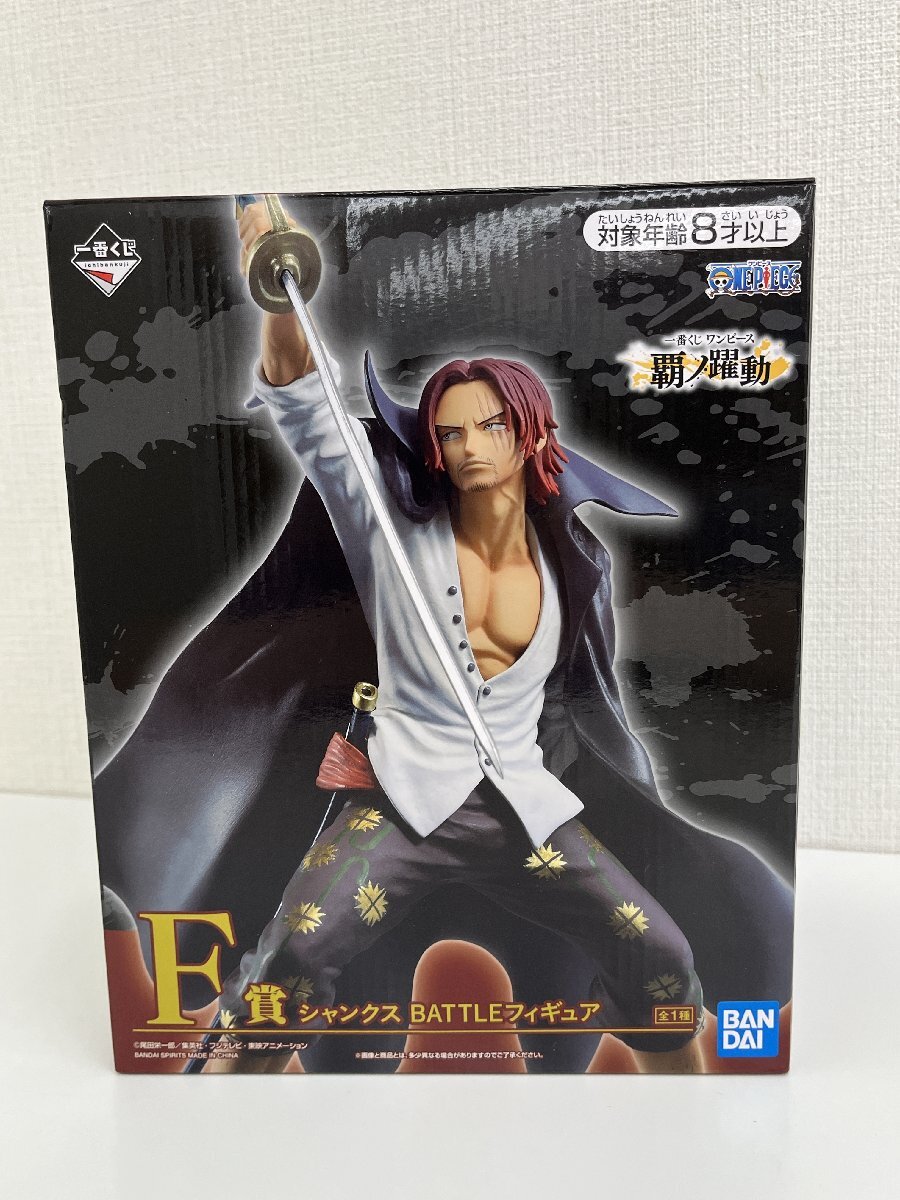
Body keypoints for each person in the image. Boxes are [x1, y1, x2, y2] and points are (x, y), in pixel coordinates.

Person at [204, 203, 724, 1074]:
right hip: (400, 803)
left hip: (523, 809)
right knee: (289, 956)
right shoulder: (389, 529)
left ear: (529, 432)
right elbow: (304, 401)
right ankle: (210, 1116)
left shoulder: (574, 562)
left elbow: (591, 695)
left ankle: (690, 1115)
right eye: (448, 432)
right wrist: (278, 284)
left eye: (490, 425)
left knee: (661, 956)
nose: (469, 445)